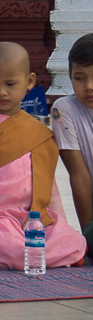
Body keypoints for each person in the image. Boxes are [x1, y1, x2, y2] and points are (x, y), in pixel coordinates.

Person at [0, 42, 85, 269]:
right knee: (13, 249)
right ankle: (46, 256)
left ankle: (56, 249)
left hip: (35, 218)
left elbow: (49, 185)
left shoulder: (38, 131)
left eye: (10, 84)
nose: (1, 92)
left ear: (29, 81)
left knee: (75, 242)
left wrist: (62, 224)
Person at [53, 34, 93, 253]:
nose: (89, 86)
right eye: (80, 78)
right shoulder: (64, 109)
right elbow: (80, 177)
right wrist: (89, 233)